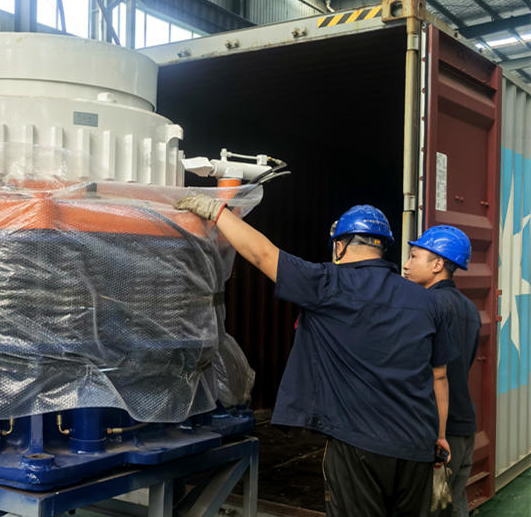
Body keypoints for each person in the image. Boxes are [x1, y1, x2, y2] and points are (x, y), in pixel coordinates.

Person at [174, 195, 453, 517]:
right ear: (383, 247)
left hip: (358, 445)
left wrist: (216, 211)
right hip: (417, 444)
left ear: (340, 246)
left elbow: (262, 253)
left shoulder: (327, 283)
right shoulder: (430, 302)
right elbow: (439, 376)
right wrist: (440, 436)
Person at [403, 225, 480, 517]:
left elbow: (426, 372)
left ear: (437, 264)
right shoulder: (469, 309)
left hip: (436, 431)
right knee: (452, 504)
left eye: (413, 256)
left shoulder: (426, 305)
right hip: (465, 426)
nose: (406, 265)